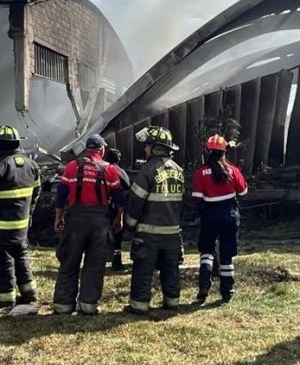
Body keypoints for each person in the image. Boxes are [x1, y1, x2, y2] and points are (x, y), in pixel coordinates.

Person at [52, 134, 125, 315]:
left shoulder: (71, 167)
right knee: (95, 263)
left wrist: (58, 219)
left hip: (75, 220)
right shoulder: (109, 169)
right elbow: (119, 199)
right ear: (101, 150)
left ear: (87, 149)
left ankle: (63, 305)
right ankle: (88, 304)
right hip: (100, 222)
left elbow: (60, 197)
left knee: (69, 261)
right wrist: (118, 219)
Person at [0, 126, 42, 308]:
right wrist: (28, 214)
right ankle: (29, 294)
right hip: (21, 226)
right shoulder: (31, 165)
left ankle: (5, 299)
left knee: (3, 261)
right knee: (21, 256)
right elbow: (36, 192)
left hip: (0, 228)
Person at [125, 126, 186, 315]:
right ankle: (172, 302)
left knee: (143, 269)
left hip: (149, 234)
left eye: (146, 146)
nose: (144, 150)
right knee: (170, 269)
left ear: (153, 147)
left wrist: (129, 225)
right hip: (172, 233)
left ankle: (139, 305)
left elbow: (136, 202)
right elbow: (181, 203)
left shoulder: (148, 170)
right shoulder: (179, 170)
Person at [191, 135, 248, 304]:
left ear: (207, 151)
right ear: (224, 152)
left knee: (207, 252)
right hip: (229, 215)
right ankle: (227, 291)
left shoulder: (201, 172)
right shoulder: (233, 170)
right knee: (226, 256)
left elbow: (196, 197)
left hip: (210, 215)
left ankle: (203, 287)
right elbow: (243, 192)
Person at [103, 147, 131, 271]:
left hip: (105, 206)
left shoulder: (104, 170)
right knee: (118, 234)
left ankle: (102, 259)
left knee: (102, 234)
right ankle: (117, 261)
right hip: (119, 207)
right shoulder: (121, 172)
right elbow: (128, 187)